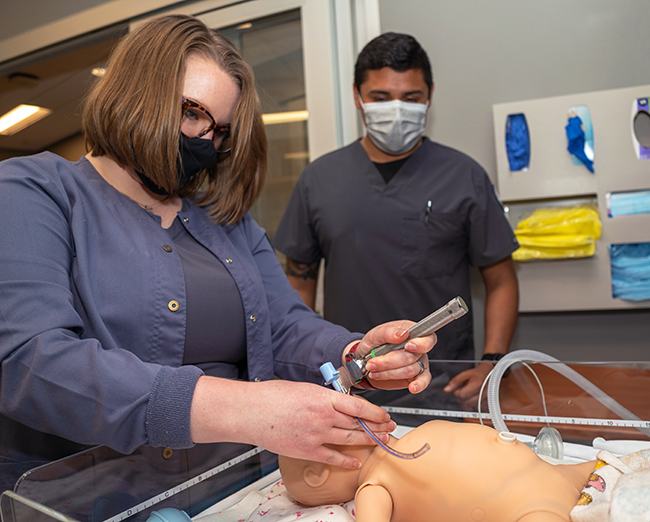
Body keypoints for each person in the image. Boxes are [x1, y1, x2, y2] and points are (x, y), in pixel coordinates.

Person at [0, 15, 437, 493]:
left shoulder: (226, 222)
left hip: (222, 487)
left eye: (220, 132)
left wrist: (356, 354)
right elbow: (30, 360)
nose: (205, 141)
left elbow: (284, 326)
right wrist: (245, 409)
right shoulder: (35, 192)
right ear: (134, 93)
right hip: (81, 495)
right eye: (193, 114)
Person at [273, 32, 519, 407]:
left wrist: (493, 361)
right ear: (358, 96)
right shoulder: (319, 180)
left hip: (442, 387)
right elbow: (298, 288)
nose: (397, 109)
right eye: (381, 97)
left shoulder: (463, 175)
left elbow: (501, 280)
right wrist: (304, 370)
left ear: (429, 95)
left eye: (411, 98)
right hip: (350, 382)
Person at [279, 420, 597, 522]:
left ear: (315, 477)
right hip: (553, 472)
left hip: (524, 508)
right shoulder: (420, 430)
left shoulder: (375, 486)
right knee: (606, 466)